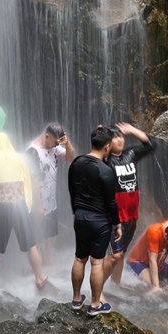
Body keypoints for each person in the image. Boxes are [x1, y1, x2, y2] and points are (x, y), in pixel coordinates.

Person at [0, 132, 48, 289]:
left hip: (1, 207)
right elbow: (27, 184)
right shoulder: (20, 159)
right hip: (19, 206)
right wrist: (28, 206)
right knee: (31, 245)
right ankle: (39, 277)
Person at [69, 126, 122, 316]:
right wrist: (117, 224)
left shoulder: (76, 163)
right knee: (97, 263)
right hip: (99, 221)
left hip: (80, 217)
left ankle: (76, 300)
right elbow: (111, 203)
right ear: (107, 147)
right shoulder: (106, 171)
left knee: (79, 258)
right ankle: (94, 305)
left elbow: (72, 192)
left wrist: (78, 213)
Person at [103, 122, 155, 285]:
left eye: (121, 136)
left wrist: (133, 130)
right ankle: (99, 290)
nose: (119, 140)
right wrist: (100, 136)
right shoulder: (105, 161)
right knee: (114, 255)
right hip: (115, 218)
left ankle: (116, 285)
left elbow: (150, 145)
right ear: (108, 143)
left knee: (122, 253)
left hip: (131, 217)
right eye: (115, 137)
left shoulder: (131, 154)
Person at [26, 122, 75, 265]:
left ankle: (47, 263)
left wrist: (67, 144)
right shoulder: (32, 151)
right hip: (38, 203)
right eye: (55, 142)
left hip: (51, 202)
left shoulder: (54, 146)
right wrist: (38, 205)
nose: (56, 146)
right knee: (39, 236)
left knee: (49, 236)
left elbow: (70, 158)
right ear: (47, 136)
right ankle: (40, 267)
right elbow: (32, 180)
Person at [127, 220, 168, 291]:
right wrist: (156, 286)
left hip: (159, 263)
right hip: (138, 262)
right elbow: (152, 260)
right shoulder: (154, 232)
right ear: (166, 235)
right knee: (154, 285)